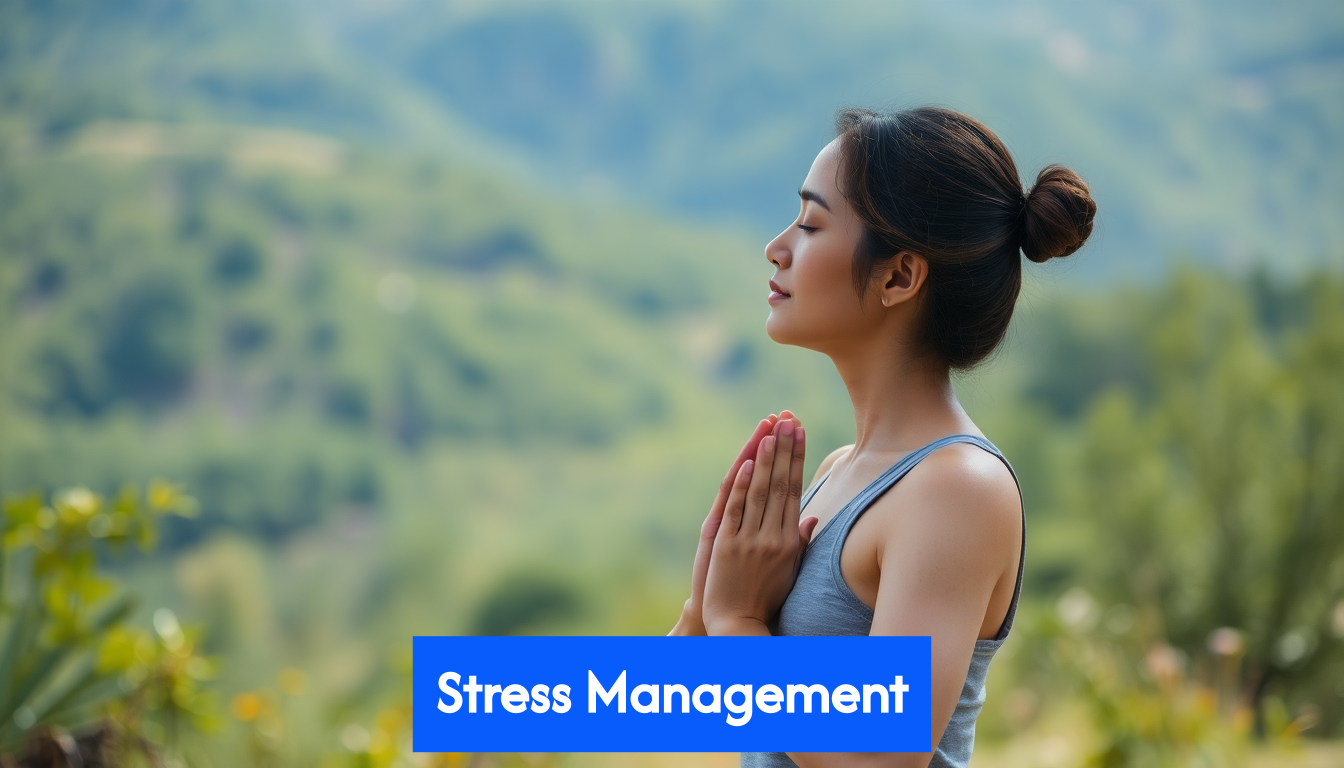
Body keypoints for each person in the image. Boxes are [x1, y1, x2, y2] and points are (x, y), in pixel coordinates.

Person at [668, 107, 1096, 768]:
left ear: (899, 276)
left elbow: (879, 758)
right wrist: (706, 601)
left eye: (811, 224)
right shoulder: (842, 470)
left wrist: (735, 622)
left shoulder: (957, 489)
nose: (777, 247)